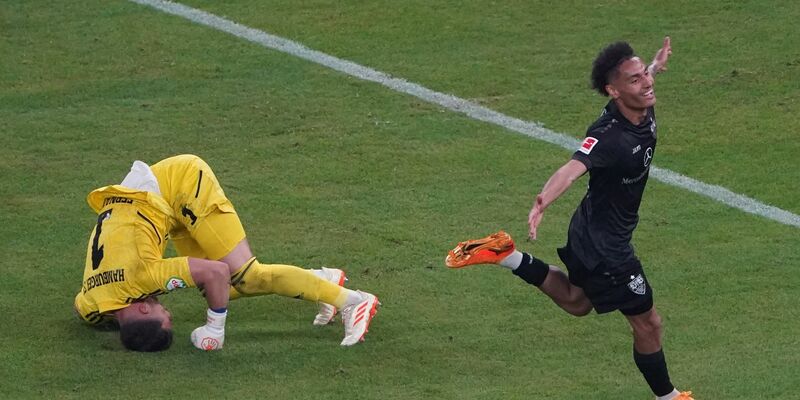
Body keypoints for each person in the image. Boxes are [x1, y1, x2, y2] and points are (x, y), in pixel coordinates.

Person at [445, 37, 693, 400]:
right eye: (636, 79)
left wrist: (656, 65)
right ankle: (669, 398)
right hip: (606, 246)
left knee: (577, 301)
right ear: (613, 91)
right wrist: (542, 202)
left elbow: (645, 79)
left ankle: (505, 254)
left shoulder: (640, 103)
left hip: (591, 228)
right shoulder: (609, 136)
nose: (647, 83)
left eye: (645, 74)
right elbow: (572, 168)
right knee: (648, 323)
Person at [74, 155, 379, 351]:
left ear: (141, 310)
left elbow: (217, 271)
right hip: (156, 205)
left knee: (244, 276)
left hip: (182, 185)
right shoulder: (92, 302)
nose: (168, 312)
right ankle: (322, 282)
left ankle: (354, 301)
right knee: (219, 289)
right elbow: (82, 310)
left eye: (163, 315)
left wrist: (214, 327)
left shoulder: (141, 278)